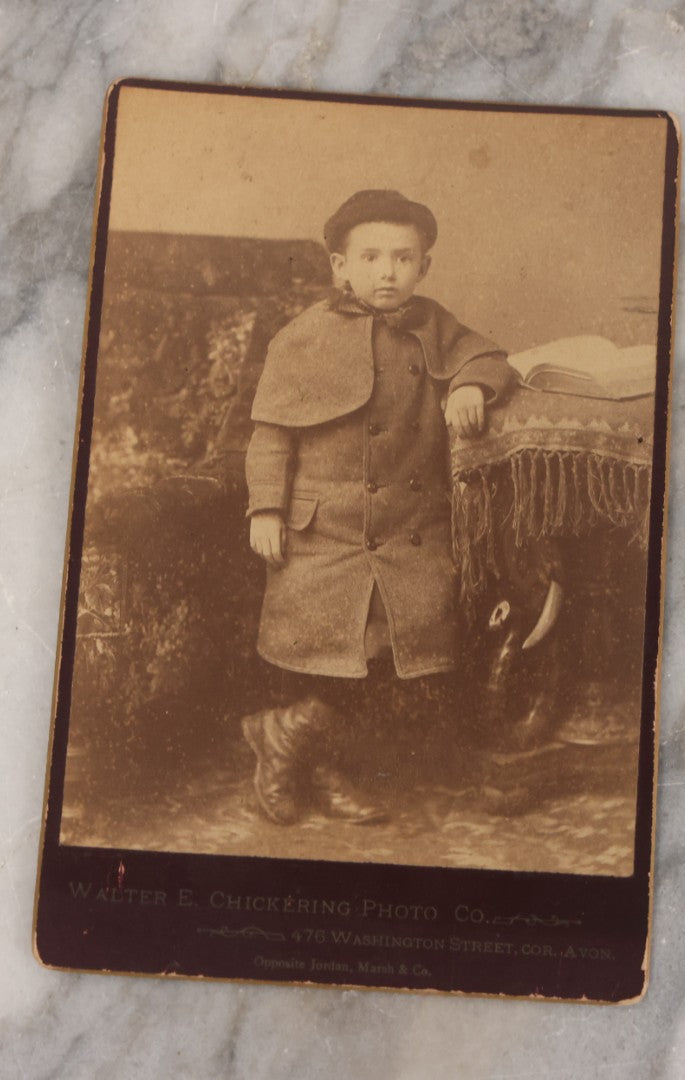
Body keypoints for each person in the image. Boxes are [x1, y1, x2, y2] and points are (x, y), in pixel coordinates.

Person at [242, 189, 513, 826]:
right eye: (369, 257)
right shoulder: (301, 338)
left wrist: (471, 381)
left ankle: (291, 743)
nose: (386, 271)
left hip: (405, 536)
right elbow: (270, 435)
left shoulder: (433, 325)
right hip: (325, 538)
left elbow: (490, 356)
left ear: (424, 267)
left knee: (391, 659)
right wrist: (265, 509)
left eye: (402, 258)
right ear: (340, 266)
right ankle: (295, 750)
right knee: (336, 660)